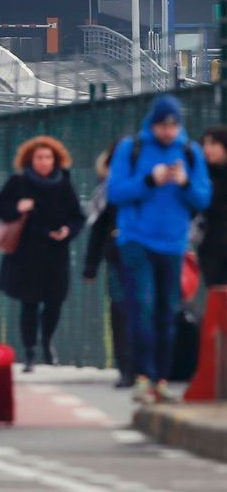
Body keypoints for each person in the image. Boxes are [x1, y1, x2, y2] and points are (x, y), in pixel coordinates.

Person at [108, 94, 211, 404]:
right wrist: (149, 180)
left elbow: (202, 198)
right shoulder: (132, 148)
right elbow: (115, 192)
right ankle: (143, 376)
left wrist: (183, 182)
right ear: (152, 123)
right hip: (136, 238)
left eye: (173, 125)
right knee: (141, 305)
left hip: (173, 241)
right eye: (162, 125)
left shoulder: (190, 152)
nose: (167, 131)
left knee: (168, 310)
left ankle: (162, 379)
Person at [0, 136, 85, 373]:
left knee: (55, 302)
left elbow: (78, 216)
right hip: (26, 253)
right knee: (29, 303)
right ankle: (30, 352)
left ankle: (47, 341)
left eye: (48, 157)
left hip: (56, 253)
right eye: (39, 157)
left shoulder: (64, 183)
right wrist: (17, 208)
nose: (44, 161)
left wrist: (67, 231)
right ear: (30, 160)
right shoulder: (18, 182)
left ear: (56, 159)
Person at [83, 145, 133, 388]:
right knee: (120, 310)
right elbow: (98, 228)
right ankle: (127, 367)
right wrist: (90, 265)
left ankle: (146, 368)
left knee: (146, 310)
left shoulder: (147, 185)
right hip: (117, 256)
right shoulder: (107, 192)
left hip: (149, 254)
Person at [197, 127, 227, 287]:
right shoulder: (202, 174)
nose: (207, 149)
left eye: (213, 143)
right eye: (205, 144)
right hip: (210, 246)